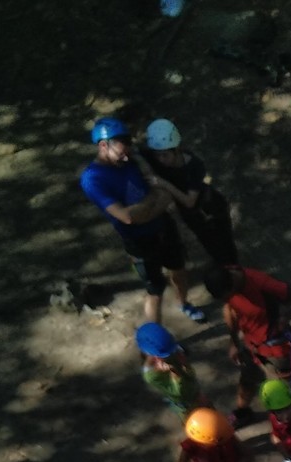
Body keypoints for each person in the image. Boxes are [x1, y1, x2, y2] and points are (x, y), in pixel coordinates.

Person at [79, 116, 204, 324]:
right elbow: (127, 217)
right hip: (139, 242)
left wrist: (144, 210)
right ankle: (155, 337)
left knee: (179, 269)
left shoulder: (131, 160)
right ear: (103, 146)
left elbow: (164, 195)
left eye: (128, 149)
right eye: (121, 151)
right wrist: (152, 201)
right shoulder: (93, 179)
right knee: (155, 289)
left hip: (164, 227)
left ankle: (184, 304)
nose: (126, 156)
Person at [205, 262, 291, 422]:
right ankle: (243, 412)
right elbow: (230, 309)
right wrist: (234, 341)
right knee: (247, 380)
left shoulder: (263, 284)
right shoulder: (228, 280)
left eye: (228, 295)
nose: (228, 299)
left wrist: (286, 317)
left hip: (277, 350)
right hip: (251, 347)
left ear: (232, 283)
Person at [139, 118, 239, 268]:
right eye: (157, 155)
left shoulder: (194, 166)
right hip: (192, 215)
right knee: (210, 246)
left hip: (209, 209)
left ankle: (234, 271)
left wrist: (164, 184)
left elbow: (189, 201)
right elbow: (136, 153)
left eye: (165, 155)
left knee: (225, 247)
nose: (161, 160)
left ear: (176, 149)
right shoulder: (155, 157)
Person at [135, 321, 205, 417]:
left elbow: (191, 375)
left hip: (196, 393)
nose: (172, 354)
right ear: (150, 353)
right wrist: (175, 374)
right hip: (185, 406)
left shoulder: (171, 350)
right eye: (166, 355)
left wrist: (184, 364)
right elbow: (178, 393)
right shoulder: (151, 376)